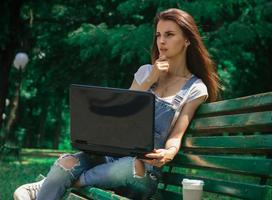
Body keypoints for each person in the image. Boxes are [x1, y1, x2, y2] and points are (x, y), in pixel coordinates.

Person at [14, 8, 219, 200]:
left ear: (187, 40)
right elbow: (122, 113)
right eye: (158, 35)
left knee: (129, 166)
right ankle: (55, 183)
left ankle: (52, 185)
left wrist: (169, 153)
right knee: (64, 164)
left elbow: (176, 137)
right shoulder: (145, 72)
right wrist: (150, 79)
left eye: (169, 34)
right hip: (109, 157)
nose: (161, 41)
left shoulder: (195, 88)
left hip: (142, 173)